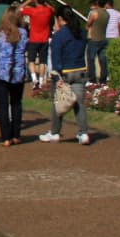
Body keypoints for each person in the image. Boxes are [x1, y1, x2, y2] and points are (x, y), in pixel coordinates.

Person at [40, 11, 92, 145]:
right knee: (79, 104)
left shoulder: (60, 35)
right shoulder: (81, 32)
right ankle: (83, 133)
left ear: (61, 19)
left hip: (64, 72)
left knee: (59, 102)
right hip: (80, 70)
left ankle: (55, 132)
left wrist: (56, 73)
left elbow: (56, 56)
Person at [0, 7, 30, 146]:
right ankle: (16, 135)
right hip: (18, 71)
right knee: (16, 103)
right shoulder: (23, 33)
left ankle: (5, 137)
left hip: (0, 71)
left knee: (2, 105)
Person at [18, 0, 56, 92]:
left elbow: (18, 10)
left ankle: (35, 79)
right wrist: (46, 3)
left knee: (31, 60)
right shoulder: (48, 10)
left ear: (36, 2)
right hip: (44, 39)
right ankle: (41, 79)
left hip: (34, 39)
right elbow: (54, 10)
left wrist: (28, 0)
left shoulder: (32, 11)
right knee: (43, 61)